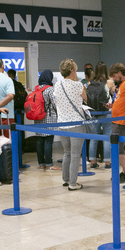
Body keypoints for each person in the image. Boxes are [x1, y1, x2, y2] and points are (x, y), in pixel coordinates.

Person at [53, 59, 88, 191]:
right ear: (72, 70)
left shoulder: (58, 85)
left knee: (67, 152)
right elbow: (86, 99)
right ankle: (73, 183)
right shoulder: (78, 85)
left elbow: (57, 104)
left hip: (62, 123)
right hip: (76, 123)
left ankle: (66, 179)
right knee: (75, 154)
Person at [34, 70, 60, 171]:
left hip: (38, 118)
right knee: (48, 141)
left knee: (39, 141)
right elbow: (55, 103)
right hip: (49, 118)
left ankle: (41, 164)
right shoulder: (50, 89)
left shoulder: (36, 88)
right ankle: (49, 164)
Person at [88, 62, 112, 169]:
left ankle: (93, 162)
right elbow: (114, 95)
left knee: (94, 137)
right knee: (106, 137)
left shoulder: (90, 84)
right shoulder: (109, 82)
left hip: (94, 113)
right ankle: (107, 162)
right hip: (106, 112)